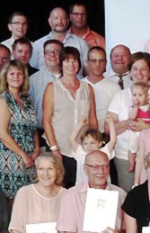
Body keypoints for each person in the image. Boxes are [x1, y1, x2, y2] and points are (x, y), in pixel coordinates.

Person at [107, 52, 150, 188]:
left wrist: (145, 126)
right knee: (130, 194)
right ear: (129, 72)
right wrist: (128, 123)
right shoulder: (120, 95)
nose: (139, 73)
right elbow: (108, 128)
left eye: (143, 69)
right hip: (125, 155)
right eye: (135, 69)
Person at [42, 47, 97, 187]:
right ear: (61, 64)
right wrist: (54, 148)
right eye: (67, 61)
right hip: (60, 148)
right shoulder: (52, 87)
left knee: (82, 188)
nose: (71, 64)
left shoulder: (88, 88)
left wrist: (95, 146)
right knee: (58, 187)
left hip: (82, 149)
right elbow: (46, 121)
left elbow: (92, 120)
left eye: (74, 61)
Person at [0, 60, 40, 198]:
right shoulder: (3, 100)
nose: (16, 76)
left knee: (30, 195)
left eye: (19, 73)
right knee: (13, 197)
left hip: (30, 155)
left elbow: (33, 127)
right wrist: (23, 155)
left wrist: (37, 149)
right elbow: (2, 134)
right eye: (12, 74)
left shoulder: (27, 99)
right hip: (11, 156)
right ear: (5, 77)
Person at [31, 7, 88, 71]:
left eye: (63, 18)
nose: (59, 21)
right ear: (50, 21)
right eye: (56, 18)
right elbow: (32, 70)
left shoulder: (81, 44)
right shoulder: (38, 44)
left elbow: (88, 70)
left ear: (68, 21)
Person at [29, 39, 63, 126]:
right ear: (44, 56)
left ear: (63, 55)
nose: (52, 55)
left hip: (66, 131)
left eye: (56, 51)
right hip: (40, 131)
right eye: (48, 52)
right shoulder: (33, 80)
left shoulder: (75, 79)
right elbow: (28, 109)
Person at [83, 46, 121, 125]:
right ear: (87, 62)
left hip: (106, 131)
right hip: (82, 131)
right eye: (94, 61)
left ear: (106, 63)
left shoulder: (114, 88)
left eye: (101, 61)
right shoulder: (79, 85)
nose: (97, 64)